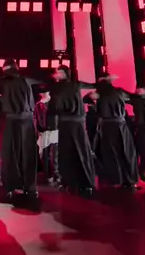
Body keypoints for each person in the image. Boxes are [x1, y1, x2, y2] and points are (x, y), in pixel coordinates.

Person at [0, 59, 43, 201]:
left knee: (10, 154)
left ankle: (11, 187)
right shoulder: (27, 80)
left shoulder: (3, 81)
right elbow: (44, 82)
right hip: (26, 119)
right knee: (27, 154)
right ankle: (29, 188)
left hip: (12, 119)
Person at [47, 66, 97, 195]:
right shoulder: (69, 85)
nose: (58, 74)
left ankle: (81, 182)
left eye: (60, 72)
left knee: (74, 152)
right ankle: (75, 182)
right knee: (73, 152)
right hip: (71, 123)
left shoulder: (61, 87)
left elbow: (54, 107)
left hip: (71, 123)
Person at [93, 74, 139, 189]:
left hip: (109, 125)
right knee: (126, 151)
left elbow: (87, 100)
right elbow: (133, 98)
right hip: (121, 124)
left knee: (112, 153)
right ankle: (130, 179)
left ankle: (116, 179)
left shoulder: (100, 94)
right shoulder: (119, 92)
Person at [35, 91, 58, 184]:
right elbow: (38, 118)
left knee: (54, 154)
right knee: (46, 154)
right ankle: (49, 175)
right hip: (46, 132)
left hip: (54, 130)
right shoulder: (39, 105)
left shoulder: (54, 102)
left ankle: (55, 174)